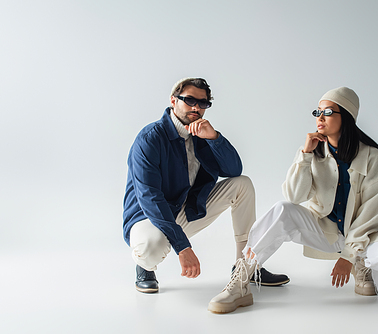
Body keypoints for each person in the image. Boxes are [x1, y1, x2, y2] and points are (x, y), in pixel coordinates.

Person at [208, 87, 378, 314]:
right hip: (326, 231)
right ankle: (242, 278)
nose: (320, 118)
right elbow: (294, 196)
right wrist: (305, 155)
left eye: (328, 112)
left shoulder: (372, 157)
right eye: (317, 112)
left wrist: (349, 257)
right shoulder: (312, 150)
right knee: (282, 209)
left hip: (365, 235)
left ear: (347, 117)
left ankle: (362, 264)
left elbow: (372, 213)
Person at [123, 77, 289, 293]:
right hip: (148, 215)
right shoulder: (150, 138)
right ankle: (144, 267)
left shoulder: (202, 134)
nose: (196, 107)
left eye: (203, 103)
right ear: (173, 101)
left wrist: (214, 138)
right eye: (190, 100)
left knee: (242, 185)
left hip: (185, 209)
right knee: (150, 248)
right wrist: (183, 247)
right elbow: (150, 198)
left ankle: (245, 266)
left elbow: (234, 171)